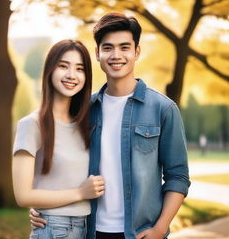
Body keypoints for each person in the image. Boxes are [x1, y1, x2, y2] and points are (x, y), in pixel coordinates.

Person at [30, 13, 191, 239]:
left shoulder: (163, 108)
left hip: (141, 233)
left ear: (137, 52)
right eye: (108, 48)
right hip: (90, 231)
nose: (116, 55)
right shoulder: (83, 110)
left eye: (124, 47)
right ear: (97, 53)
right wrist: (42, 206)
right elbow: (60, 166)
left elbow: (178, 176)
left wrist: (160, 228)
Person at [12, 39, 105, 239]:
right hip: (53, 228)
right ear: (50, 70)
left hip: (86, 227)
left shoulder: (86, 125)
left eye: (80, 69)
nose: (71, 75)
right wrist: (80, 193)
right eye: (63, 66)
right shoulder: (31, 125)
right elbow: (23, 196)